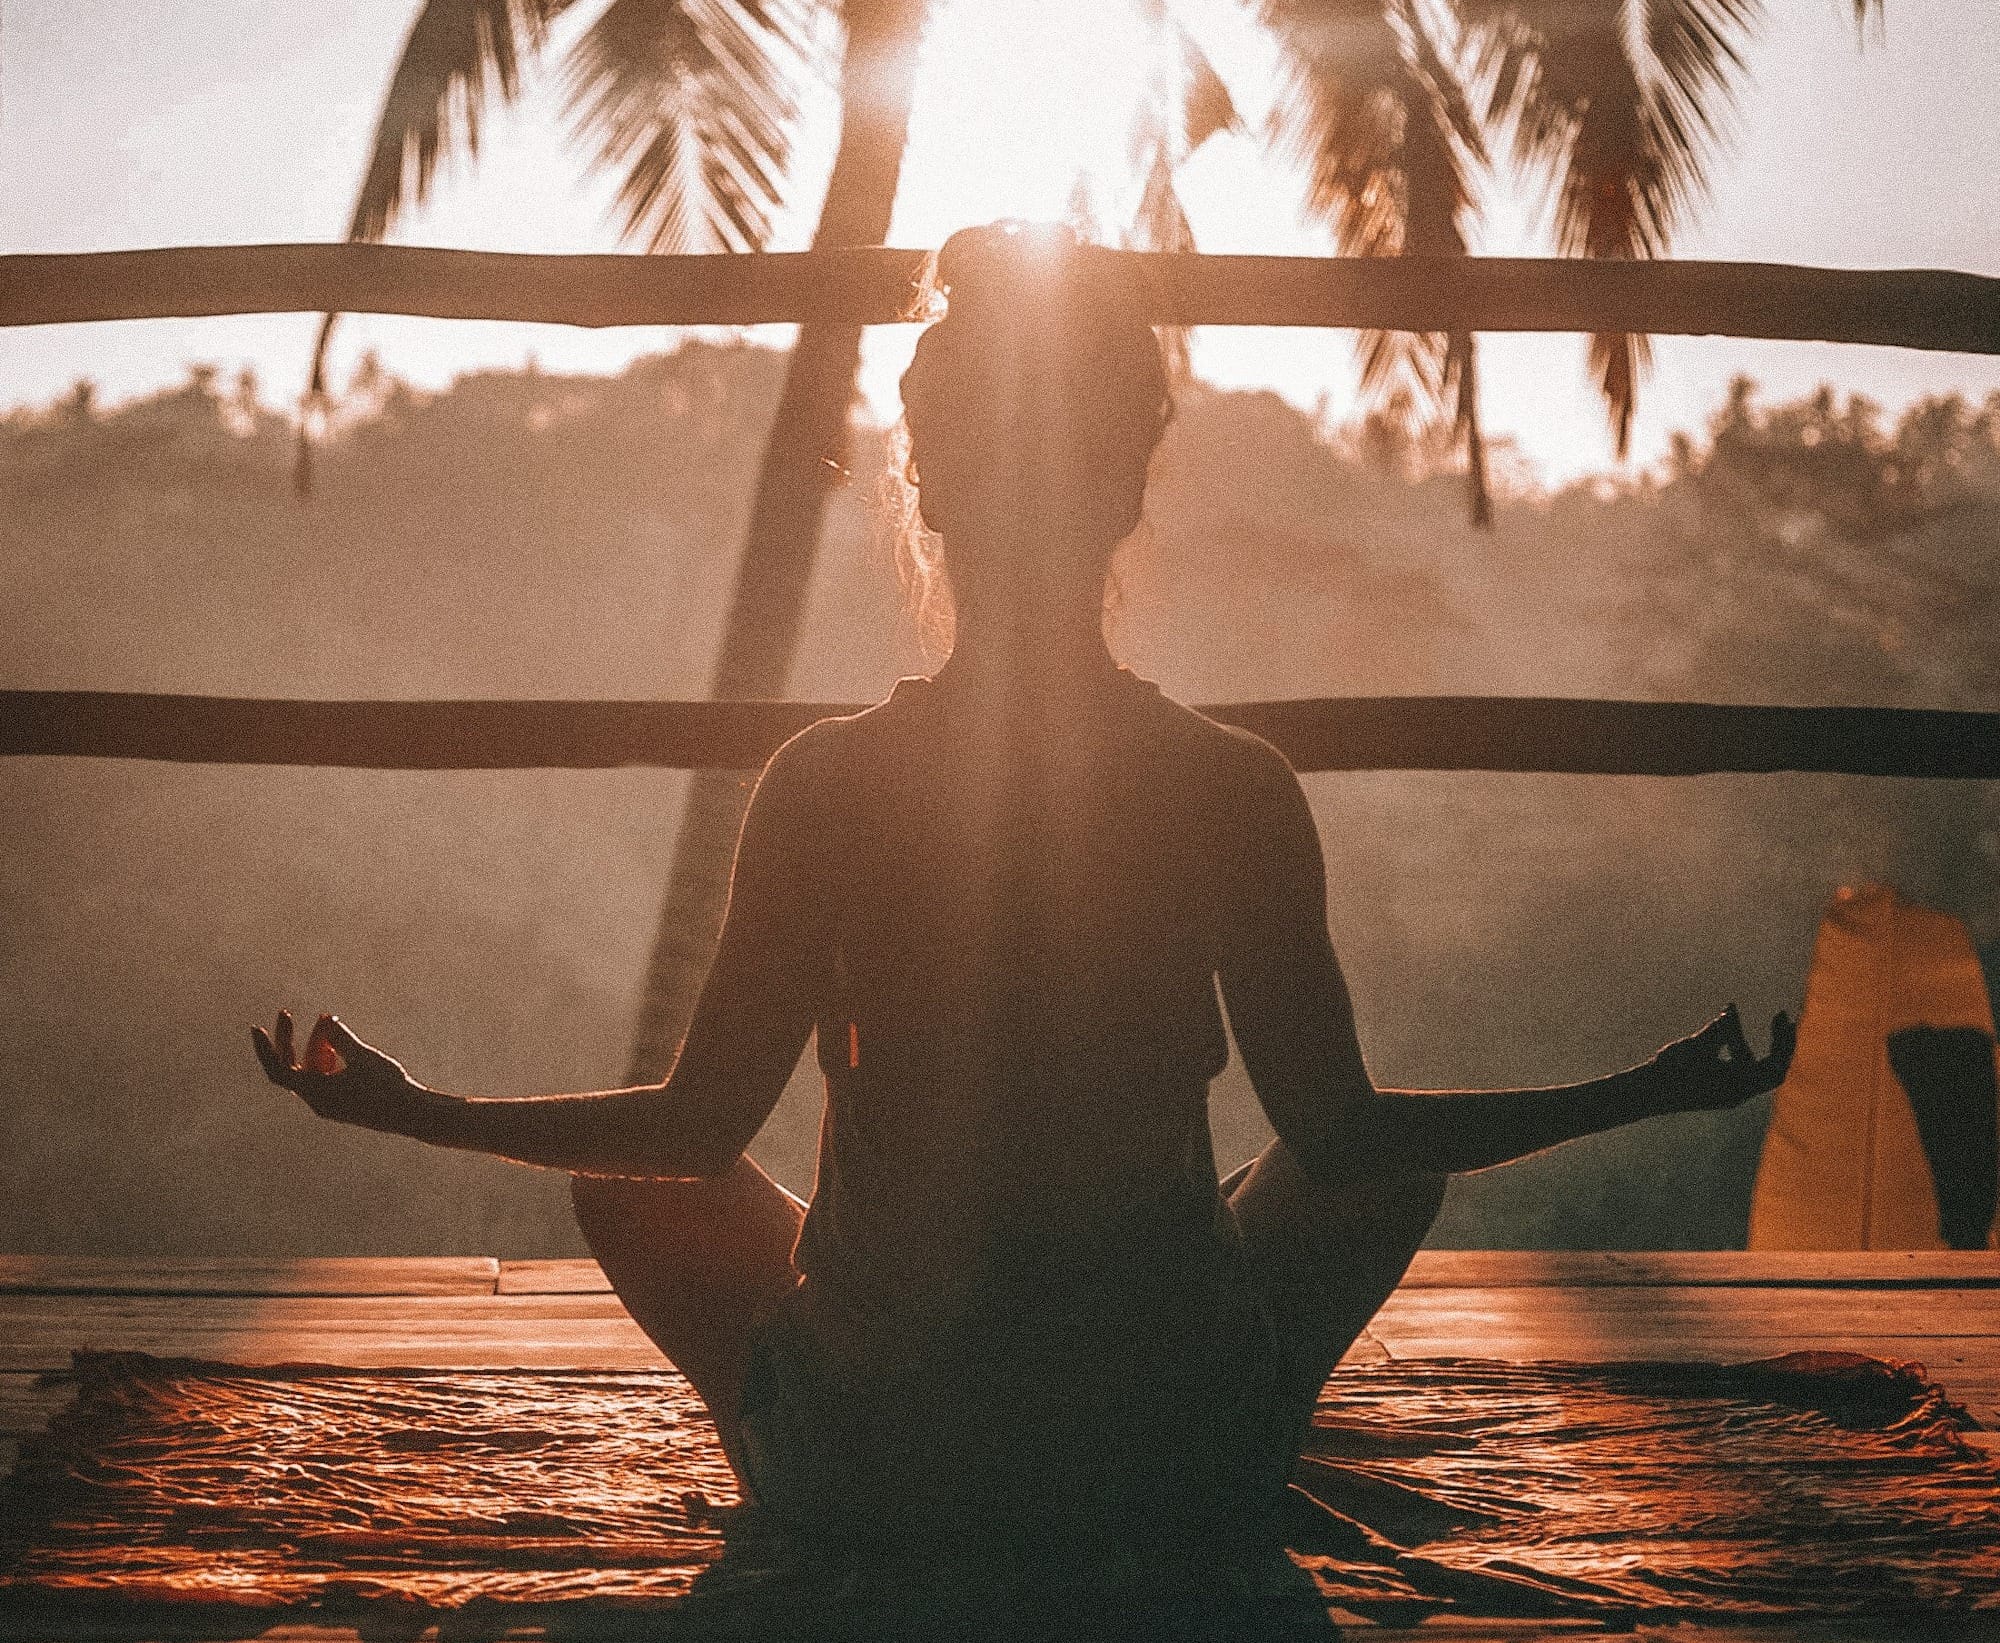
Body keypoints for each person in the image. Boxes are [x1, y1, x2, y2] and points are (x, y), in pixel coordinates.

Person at [254, 221, 1794, 1578]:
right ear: (1126, 489)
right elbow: (1347, 1136)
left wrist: (415, 1108)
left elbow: (690, 1133)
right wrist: (1643, 1091)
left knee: (632, 1187)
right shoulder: (1230, 785)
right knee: (1378, 1170)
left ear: (927, 489)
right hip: (1163, 1460)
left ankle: (817, 1479)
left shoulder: (829, 783)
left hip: (887, 1472)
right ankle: (1229, 1450)